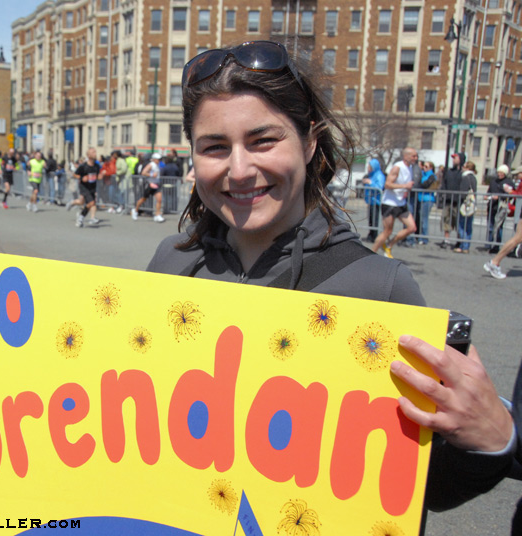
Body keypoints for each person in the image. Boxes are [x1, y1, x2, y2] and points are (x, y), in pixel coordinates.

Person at [146, 41, 513, 517]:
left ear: (310, 141)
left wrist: (492, 444)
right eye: (215, 147)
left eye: (263, 140)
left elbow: (417, 487)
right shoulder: (168, 263)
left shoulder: (381, 288)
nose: (239, 170)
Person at [371, 147, 418, 258]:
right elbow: (387, 185)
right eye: (413, 156)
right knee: (387, 231)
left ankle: (389, 245)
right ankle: (370, 254)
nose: (415, 158)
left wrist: (406, 190)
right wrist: (404, 186)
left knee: (412, 228)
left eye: (416, 156)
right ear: (406, 156)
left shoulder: (409, 168)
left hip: (401, 203)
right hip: (390, 203)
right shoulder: (398, 167)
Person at [71, 147, 104, 227]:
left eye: (95, 152)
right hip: (84, 187)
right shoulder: (83, 166)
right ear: (89, 155)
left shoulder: (96, 166)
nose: (95, 153)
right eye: (93, 152)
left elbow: (96, 176)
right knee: (91, 203)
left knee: (91, 204)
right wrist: (82, 178)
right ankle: (82, 217)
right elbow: (74, 175)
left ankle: (81, 217)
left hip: (92, 187)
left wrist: (100, 176)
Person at [441, 152, 466, 249]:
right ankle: (446, 240)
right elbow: (444, 183)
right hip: (448, 200)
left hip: (459, 201)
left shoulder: (463, 173)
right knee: (446, 220)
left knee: (458, 222)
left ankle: (459, 241)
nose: (453, 160)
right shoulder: (449, 171)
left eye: (455, 158)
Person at [486, 164, 513, 253]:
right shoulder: (493, 181)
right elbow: (489, 191)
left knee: (499, 227)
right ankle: (488, 243)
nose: (500, 174)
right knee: (490, 226)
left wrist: (500, 197)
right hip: (492, 206)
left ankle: (497, 245)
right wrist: (487, 196)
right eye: (498, 172)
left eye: (502, 172)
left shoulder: (509, 182)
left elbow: (511, 195)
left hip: (502, 207)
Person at [131, 152, 165, 223]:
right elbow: (143, 172)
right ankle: (135, 210)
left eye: (160, 159)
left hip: (156, 185)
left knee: (159, 199)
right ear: (154, 159)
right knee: (143, 199)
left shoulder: (157, 165)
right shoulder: (151, 165)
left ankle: (157, 215)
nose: (159, 160)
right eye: (158, 159)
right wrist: (152, 175)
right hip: (150, 185)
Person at [454, 160, 478, 254]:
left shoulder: (465, 177)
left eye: (464, 166)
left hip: (464, 204)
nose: (462, 168)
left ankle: (463, 245)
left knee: (461, 225)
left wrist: (459, 199)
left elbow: (463, 192)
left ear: (468, 168)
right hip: (471, 203)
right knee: (468, 226)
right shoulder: (473, 177)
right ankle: (466, 245)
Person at [362, 157, 385, 242]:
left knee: (374, 219)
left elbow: (379, 187)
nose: (368, 168)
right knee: (371, 219)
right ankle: (371, 234)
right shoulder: (372, 175)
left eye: (370, 166)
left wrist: (370, 183)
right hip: (370, 201)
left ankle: (374, 235)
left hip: (376, 201)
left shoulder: (379, 175)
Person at [414, 161, 437, 245]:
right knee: (421, 219)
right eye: (424, 166)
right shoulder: (423, 174)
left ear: (431, 168)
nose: (424, 168)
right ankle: (420, 236)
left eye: (426, 167)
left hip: (428, 199)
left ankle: (424, 238)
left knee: (424, 220)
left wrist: (419, 183)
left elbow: (425, 185)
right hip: (421, 198)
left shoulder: (431, 176)